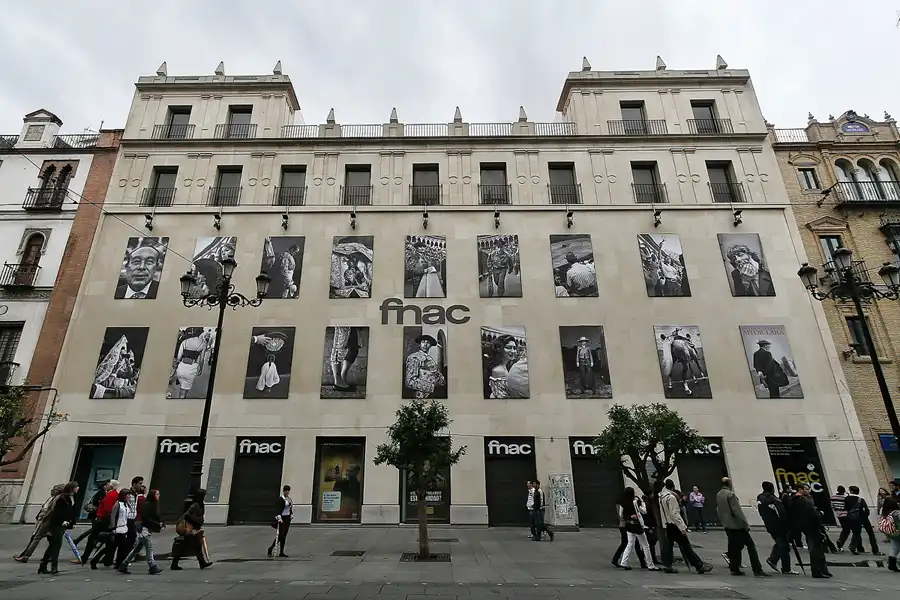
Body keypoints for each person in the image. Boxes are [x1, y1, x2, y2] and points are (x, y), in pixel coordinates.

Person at [716, 477, 769, 577]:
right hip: (737, 526)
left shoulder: (719, 494)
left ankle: (734, 568)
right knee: (751, 546)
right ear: (729, 484)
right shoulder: (730, 495)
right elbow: (737, 511)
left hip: (728, 525)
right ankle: (757, 569)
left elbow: (718, 509)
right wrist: (745, 524)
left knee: (734, 547)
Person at [658, 479, 712, 574]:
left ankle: (667, 564)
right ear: (673, 487)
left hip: (668, 524)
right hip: (675, 525)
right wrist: (682, 527)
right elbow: (675, 513)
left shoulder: (662, 497)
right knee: (685, 545)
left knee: (668, 545)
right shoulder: (671, 497)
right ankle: (698, 565)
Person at [14, 483, 66, 563]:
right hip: (49, 522)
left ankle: (26, 556)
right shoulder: (56, 498)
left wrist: (42, 519)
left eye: (54, 489)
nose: (52, 491)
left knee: (37, 539)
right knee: (51, 541)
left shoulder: (57, 499)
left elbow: (49, 511)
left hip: (48, 523)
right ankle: (28, 555)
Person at [118, 488, 164, 575]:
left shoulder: (154, 505)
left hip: (148, 529)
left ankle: (124, 564)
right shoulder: (147, 505)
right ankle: (152, 566)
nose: (159, 496)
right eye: (157, 494)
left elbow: (157, 516)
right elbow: (146, 518)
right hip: (145, 529)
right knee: (149, 548)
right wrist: (157, 524)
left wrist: (161, 523)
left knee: (136, 549)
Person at [38, 481, 79, 575]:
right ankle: (54, 567)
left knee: (52, 546)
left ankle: (43, 565)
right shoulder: (62, 499)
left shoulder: (70, 498)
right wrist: (63, 521)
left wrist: (72, 522)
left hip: (62, 525)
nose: (78, 488)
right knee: (56, 546)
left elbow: (71, 512)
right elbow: (58, 513)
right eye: (76, 487)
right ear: (71, 488)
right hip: (56, 525)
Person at [756, 481, 797, 574]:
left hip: (769, 524)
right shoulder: (773, 499)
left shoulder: (760, 498)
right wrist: (787, 524)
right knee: (784, 545)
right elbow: (782, 513)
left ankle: (782, 565)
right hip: (779, 525)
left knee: (780, 543)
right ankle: (778, 563)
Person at [793, 483, 832, 578]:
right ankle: (817, 570)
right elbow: (810, 512)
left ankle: (823, 569)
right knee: (815, 549)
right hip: (810, 526)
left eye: (809, 489)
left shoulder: (807, 498)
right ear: (800, 489)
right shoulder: (800, 500)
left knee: (819, 548)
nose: (808, 491)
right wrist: (819, 514)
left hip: (813, 525)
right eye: (806, 489)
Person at [617, 487, 658, 570]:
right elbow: (644, 511)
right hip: (636, 525)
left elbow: (621, 514)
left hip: (628, 525)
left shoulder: (623, 502)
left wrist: (629, 517)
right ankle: (650, 565)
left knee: (630, 544)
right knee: (645, 544)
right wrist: (641, 504)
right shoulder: (635, 502)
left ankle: (623, 562)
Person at [171, 489, 212, 570]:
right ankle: (174, 564)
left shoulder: (200, 504)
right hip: (191, 528)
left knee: (197, 545)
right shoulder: (195, 505)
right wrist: (196, 520)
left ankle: (202, 563)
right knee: (184, 545)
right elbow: (187, 514)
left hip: (195, 528)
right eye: (203, 495)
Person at [91, 488, 132, 570]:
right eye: (128, 495)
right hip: (117, 529)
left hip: (123, 528)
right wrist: (113, 527)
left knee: (117, 547)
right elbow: (113, 516)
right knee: (112, 547)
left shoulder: (126, 504)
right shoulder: (118, 504)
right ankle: (96, 560)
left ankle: (118, 564)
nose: (129, 497)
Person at [82, 479, 120, 563]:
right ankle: (108, 558)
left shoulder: (111, 495)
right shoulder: (112, 494)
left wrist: (100, 517)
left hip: (103, 520)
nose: (107, 485)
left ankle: (85, 557)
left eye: (109, 483)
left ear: (112, 486)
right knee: (108, 540)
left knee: (93, 538)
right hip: (106, 519)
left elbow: (107, 509)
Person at [844, 485, 881, 555]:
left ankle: (853, 546)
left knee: (856, 533)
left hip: (853, 518)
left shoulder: (846, 499)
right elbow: (866, 510)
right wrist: (865, 516)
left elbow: (845, 508)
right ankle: (875, 550)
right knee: (871, 534)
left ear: (851, 491)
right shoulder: (860, 499)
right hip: (863, 518)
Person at [268, 485, 293, 558]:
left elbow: (290, 507)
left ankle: (281, 552)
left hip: (287, 518)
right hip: (282, 518)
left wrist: (291, 514)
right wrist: (279, 517)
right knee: (281, 535)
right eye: (286, 490)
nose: (287, 492)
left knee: (284, 535)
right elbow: (278, 509)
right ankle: (271, 548)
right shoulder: (281, 499)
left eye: (288, 490)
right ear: (284, 491)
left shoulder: (289, 499)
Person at [880, 495, 900, 572]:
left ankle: (892, 565)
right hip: (898, 531)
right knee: (895, 547)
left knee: (894, 547)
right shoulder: (897, 513)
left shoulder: (885, 513)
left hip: (892, 533)